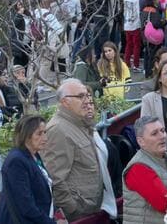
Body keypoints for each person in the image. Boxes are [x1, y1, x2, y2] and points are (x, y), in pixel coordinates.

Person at [42, 79, 117, 222]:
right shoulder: (58, 130)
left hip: (91, 210)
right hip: (79, 215)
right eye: (80, 96)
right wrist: (73, 208)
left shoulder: (80, 123)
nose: (87, 100)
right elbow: (55, 178)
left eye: (87, 96)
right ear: (65, 102)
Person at [0, 114, 67, 224]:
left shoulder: (34, 155)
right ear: (26, 135)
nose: (45, 138)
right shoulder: (16, 161)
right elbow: (25, 205)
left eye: (45, 132)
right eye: (39, 133)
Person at [123, 116, 167, 224]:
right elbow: (165, 203)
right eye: (154, 133)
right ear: (141, 141)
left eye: (162, 131)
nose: (162, 136)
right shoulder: (138, 168)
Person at [140, 60, 167, 154]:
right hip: (159, 147)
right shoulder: (149, 99)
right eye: (166, 73)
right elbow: (144, 126)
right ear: (160, 78)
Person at [123, 0, 143, 69]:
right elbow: (138, 11)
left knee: (128, 44)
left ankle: (127, 62)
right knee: (136, 45)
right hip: (135, 23)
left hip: (127, 22)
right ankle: (136, 64)